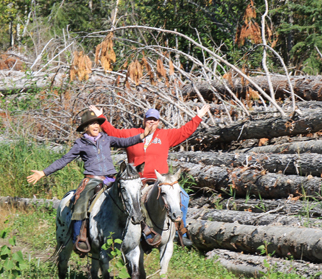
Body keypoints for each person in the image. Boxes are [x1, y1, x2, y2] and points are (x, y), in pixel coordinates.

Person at [27, 109, 155, 254]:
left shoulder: (107, 138)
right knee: (80, 203)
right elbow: (65, 159)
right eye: (91, 123)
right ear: (85, 128)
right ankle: (79, 239)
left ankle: (145, 233)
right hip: (92, 180)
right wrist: (43, 172)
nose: (95, 125)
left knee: (133, 196)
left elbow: (125, 141)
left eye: (96, 123)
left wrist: (143, 135)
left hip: (111, 179)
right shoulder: (80, 144)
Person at [89, 103, 210, 247]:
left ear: (159, 122)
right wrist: (100, 117)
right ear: (144, 120)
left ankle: (179, 231)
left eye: (155, 119)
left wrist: (198, 117)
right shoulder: (131, 134)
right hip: (137, 179)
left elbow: (185, 131)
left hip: (160, 179)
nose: (151, 121)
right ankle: (124, 232)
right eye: (149, 119)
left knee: (183, 196)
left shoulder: (166, 135)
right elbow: (112, 132)